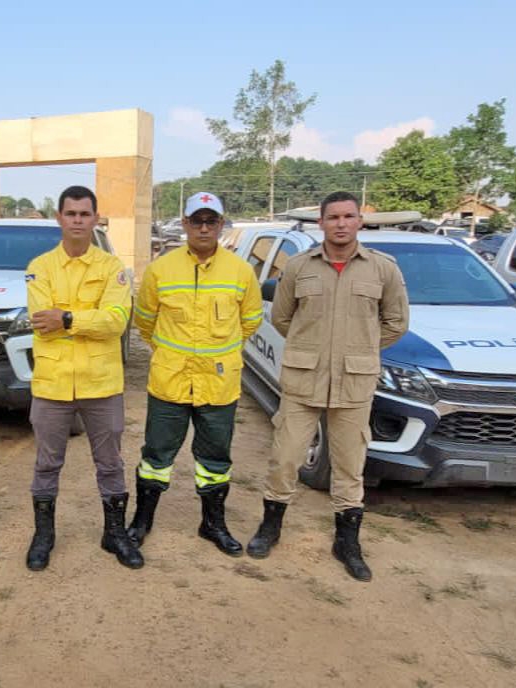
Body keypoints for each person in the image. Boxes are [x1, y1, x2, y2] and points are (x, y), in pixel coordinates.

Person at [246, 191, 409, 581]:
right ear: (321, 223)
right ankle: (271, 527)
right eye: (332, 217)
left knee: (350, 466)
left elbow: (395, 323)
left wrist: (360, 350)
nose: (340, 223)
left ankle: (347, 542)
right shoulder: (300, 267)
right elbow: (283, 317)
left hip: (354, 383)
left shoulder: (383, 269)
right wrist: (312, 347)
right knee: (285, 458)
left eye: (348, 216)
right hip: (304, 380)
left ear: (359, 222)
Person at [128, 192, 263, 556]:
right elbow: (145, 321)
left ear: (221, 225)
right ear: (185, 223)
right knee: (156, 456)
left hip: (219, 385)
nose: (204, 227)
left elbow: (250, 321)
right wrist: (173, 354)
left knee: (215, 461)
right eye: (197, 220)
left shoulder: (240, 271)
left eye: (211, 221)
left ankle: (213, 524)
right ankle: (142, 520)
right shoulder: (161, 269)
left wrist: (215, 354)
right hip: (169, 383)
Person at [24, 185, 143, 571]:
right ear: (59, 217)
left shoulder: (112, 269)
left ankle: (115, 533)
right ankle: (44, 535)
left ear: (95, 218)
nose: (77, 220)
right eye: (71, 213)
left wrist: (69, 318)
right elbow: (43, 321)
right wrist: (84, 318)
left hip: (101, 384)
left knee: (110, 463)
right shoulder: (39, 267)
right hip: (53, 385)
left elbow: (116, 322)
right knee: (46, 463)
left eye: (84, 214)